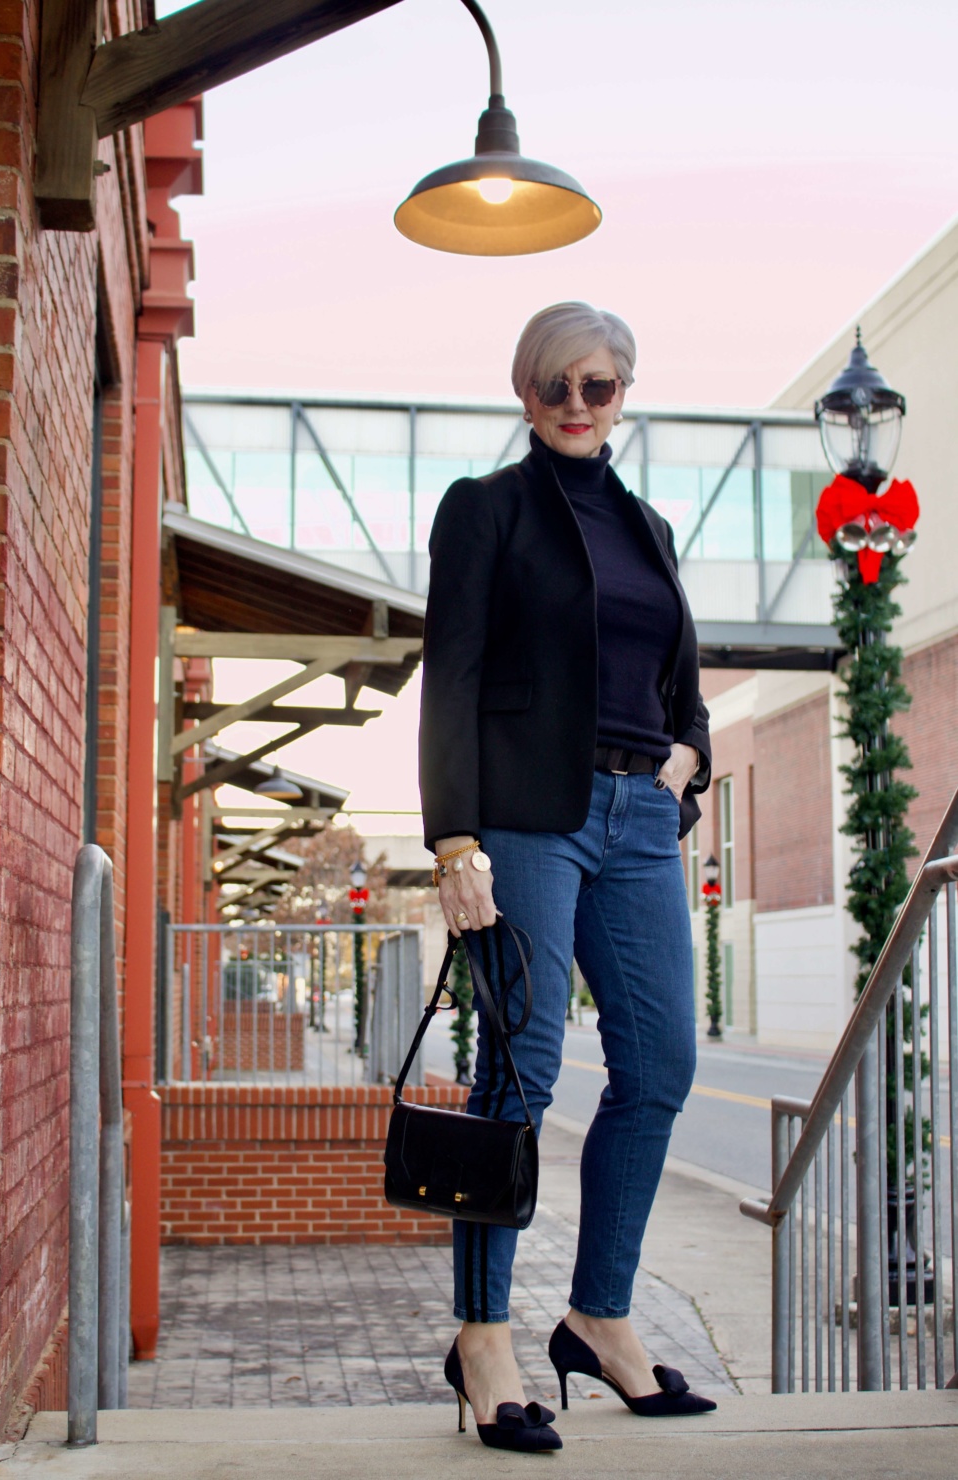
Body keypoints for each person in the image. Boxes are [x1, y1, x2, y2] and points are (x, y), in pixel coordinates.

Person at [419, 302, 716, 1452]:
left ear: (623, 392)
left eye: (598, 387)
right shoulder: (487, 511)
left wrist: (689, 758)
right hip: (530, 819)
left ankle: (597, 1316)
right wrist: (454, 842)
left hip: (642, 817)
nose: (578, 406)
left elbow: (682, 681)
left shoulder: (650, 529)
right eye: (557, 387)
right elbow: (451, 674)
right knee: (523, 1064)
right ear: (526, 395)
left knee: (660, 1065)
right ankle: (483, 1336)